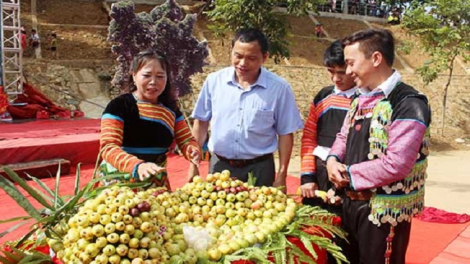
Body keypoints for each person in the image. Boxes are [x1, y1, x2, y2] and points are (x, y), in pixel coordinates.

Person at [326, 29, 431, 264]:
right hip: (349, 204)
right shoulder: (360, 98)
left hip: (383, 214)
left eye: (351, 63)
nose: (349, 71)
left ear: (375, 58)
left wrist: (347, 175)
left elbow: (397, 164)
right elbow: (343, 136)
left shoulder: (409, 104)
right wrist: (332, 160)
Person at [189, 28, 304, 189]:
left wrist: (282, 174)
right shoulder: (214, 82)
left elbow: (285, 133)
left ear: (264, 57)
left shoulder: (279, 89)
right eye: (238, 56)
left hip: (260, 168)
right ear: (231, 52)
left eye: (251, 58)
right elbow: (201, 122)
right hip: (220, 167)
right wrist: (193, 166)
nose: (243, 63)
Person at [99, 50, 201, 190]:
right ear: (134, 76)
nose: (154, 82)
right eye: (146, 75)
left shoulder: (171, 109)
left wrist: (192, 151)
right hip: (119, 183)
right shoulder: (119, 106)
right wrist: (137, 165)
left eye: (160, 76)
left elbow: (186, 140)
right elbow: (108, 147)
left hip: (156, 182)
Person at [300, 40, 357, 215]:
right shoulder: (323, 97)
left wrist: (341, 187)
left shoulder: (366, 101)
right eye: (331, 72)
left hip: (350, 181)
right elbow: (309, 138)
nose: (335, 79)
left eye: (341, 73)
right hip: (320, 176)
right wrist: (308, 177)